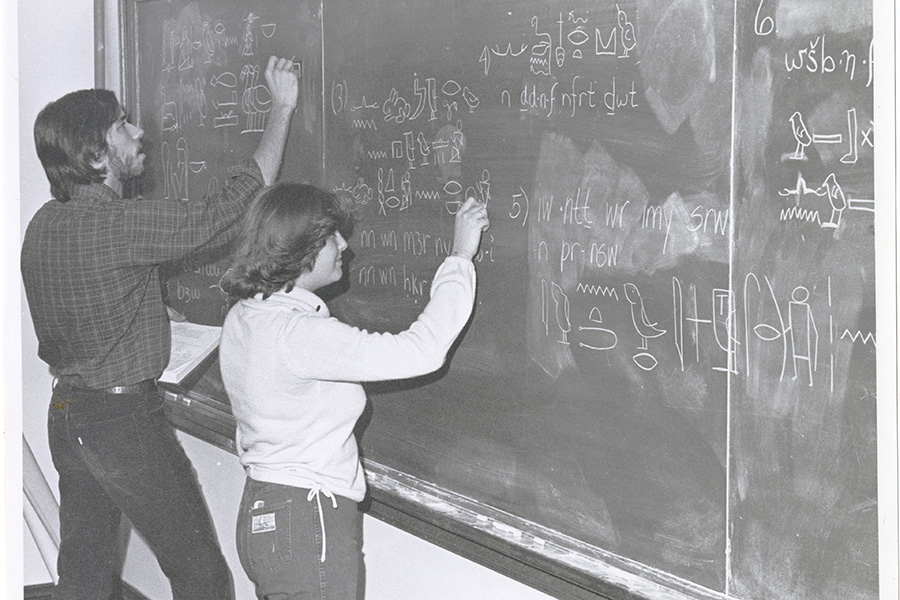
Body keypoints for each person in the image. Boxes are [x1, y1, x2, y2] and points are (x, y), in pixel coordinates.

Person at [21, 56, 299, 600]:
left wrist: (146, 311)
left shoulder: (44, 224)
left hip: (69, 415)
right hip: (122, 423)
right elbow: (234, 205)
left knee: (84, 577)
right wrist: (282, 106)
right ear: (96, 153)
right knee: (201, 575)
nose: (139, 131)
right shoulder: (120, 223)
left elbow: (92, 300)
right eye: (122, 124)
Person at [218, 184, 490, 599]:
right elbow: (422, 351)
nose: (344, 245)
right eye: (331, 237)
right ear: (301, 249)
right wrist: (460, 258)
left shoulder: (246, 313)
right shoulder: (300, 334)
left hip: (264, 508)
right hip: (308, 521)